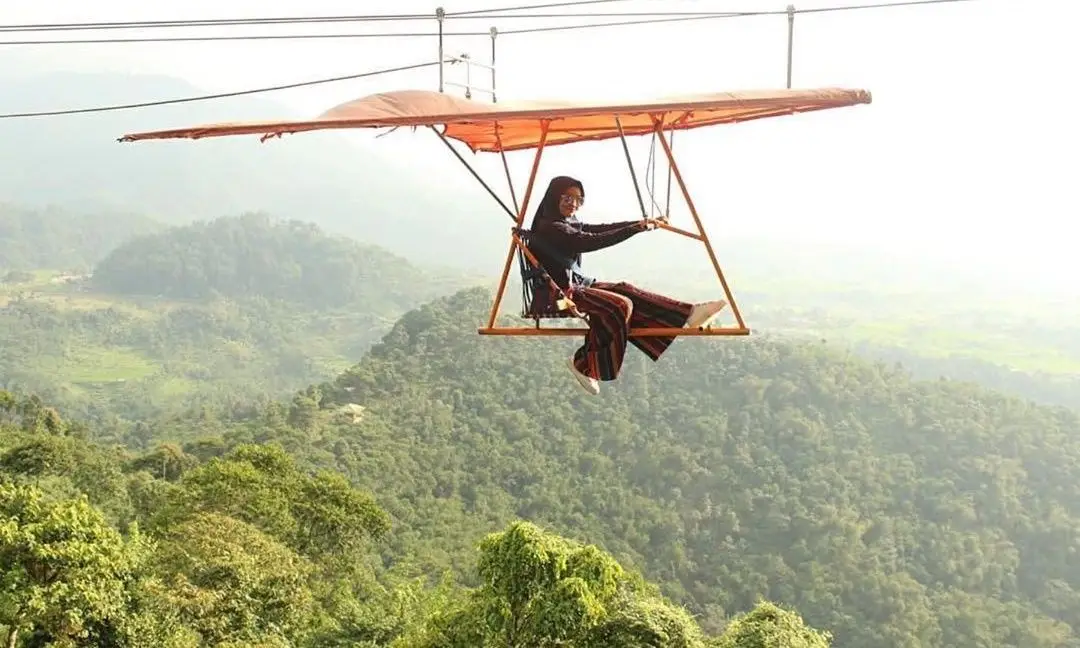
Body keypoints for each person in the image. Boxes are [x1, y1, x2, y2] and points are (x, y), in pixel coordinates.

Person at [527, 175, 727, 395]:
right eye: (567, 198)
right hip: (558, 295)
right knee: (620, 305)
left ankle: (688, 314)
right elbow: (589, 241)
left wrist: (638, 225)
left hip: (574, 285)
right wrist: (632, 230)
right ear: (554, 197)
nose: (573, 204)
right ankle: (584, 365)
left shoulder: (566, 223)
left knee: (625, 289)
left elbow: (600, 229)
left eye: (578, 199)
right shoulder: (550, 227)